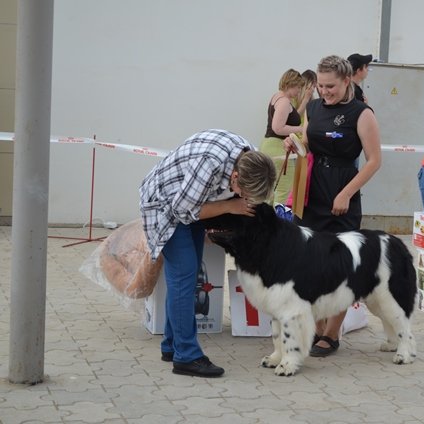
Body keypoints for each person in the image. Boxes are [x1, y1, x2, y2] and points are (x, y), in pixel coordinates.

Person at [139, 129, 276, 377]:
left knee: (188, 280)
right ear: (235, 177)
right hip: (165, 206)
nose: (244, 198)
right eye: (243, 193)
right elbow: (181, 211)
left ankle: (171, 345)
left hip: (190, 203)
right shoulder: (209, 164)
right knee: (184, 278)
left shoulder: (252, 158)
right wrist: (229, 206)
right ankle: (186, 357)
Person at [284, 55, 381, 357]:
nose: (325, 92)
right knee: (309, 263)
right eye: (321, 86)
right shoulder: (312, 107)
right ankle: (317, 324)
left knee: (340, 266)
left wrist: (346, 193)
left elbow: (375, 161)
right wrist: (294, 142)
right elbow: (310, 140)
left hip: (342, 194)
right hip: (311, 192)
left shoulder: (361, 113)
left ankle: (332, 333)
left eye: (331, 86)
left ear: (347, 80)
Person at [260, 69, 305, 205]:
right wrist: (301, 129)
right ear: (290, 84)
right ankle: (279, 222)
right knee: (283, 189)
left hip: (269, 145)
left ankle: (267, 222)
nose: (299, 91)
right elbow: (278, 128)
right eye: (298, 87)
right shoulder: (284, 101)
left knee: (271, 190)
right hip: (278, 147)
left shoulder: (276, 97)